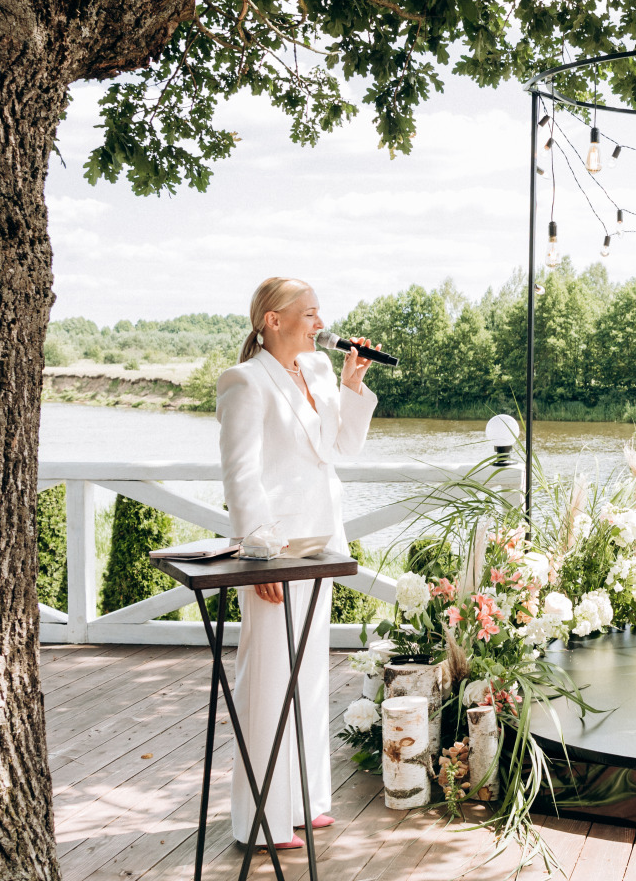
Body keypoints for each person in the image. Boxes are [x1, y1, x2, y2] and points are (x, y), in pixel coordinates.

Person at [217, 277, 379, 848]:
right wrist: (257, 554)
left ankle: (304, 800)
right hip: (275, 550)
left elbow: (341, 450)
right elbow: (240, 474)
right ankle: (260, 818)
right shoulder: (244, 381)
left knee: (308, 672)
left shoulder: (317, 372)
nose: (320, 323)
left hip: (322, 543)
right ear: (273, 321)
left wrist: (353, 387)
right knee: (268, 674)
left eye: (320, 313)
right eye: (309, 313)